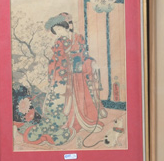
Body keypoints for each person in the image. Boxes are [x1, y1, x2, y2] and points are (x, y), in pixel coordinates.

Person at [23, 12, 104, 146]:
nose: (58, 32)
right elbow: (56, 59)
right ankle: (62, 122)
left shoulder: (77, 38)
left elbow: (83, 54)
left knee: (78, 97)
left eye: (59, 29)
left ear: (65, 26)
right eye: (56, 31)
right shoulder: (59, 41)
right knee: (61, 99)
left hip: (76, 74)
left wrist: (85, 62)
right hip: (62, 75)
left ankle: (79, 120)